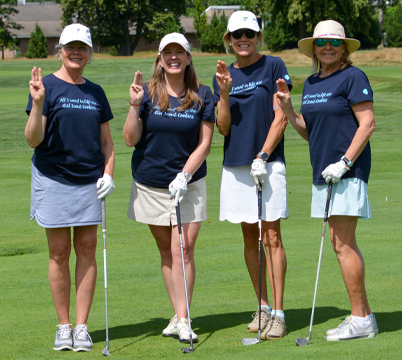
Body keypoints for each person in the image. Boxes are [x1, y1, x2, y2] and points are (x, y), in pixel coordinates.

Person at [275, 19, 378, 341]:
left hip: (346, 172)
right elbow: (311, 132)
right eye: (322, 43)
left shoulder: (353, 76)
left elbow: (367, 124)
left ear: (344, 47)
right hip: (322, 172)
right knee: (338, 243)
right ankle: (361, 317)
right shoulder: (312, 82)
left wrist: (345, 162)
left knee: (343, 243)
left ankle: (362, 318)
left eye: (334, 42)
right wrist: (290, 111)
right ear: (314, 49)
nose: (328, 47)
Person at [25, 23, 115, 351]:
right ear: (59, 50)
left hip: (90, 182)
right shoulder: (46, 86)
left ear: (90, 53)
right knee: (60, 252)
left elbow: (107, 144)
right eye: (70, 47)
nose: (76, 52)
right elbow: (33, 139)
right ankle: (63, 326)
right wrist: (37, 103)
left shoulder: (96, 93)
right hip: (54, 179)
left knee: (87, 249)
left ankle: (82, 327)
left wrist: (108, 174)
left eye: (82, 47)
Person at [123, 33, 214, 344]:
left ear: (188, 58)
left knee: (183, 249)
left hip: (189, 183)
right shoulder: (146, 94)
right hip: (150, 183)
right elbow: (130, 139)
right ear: (159, 59)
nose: (173, 57)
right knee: (166, 250)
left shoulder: (202, 94)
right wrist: (134, 106)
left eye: (180, 52)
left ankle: (185, 319)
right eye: (167, 53)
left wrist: (185, 176)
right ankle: (177, 314)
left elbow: (205, 143)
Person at [213, 11, 292, 340]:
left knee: (271, 236)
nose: (243, 39)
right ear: (229, 40)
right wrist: (224, 94)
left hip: (267, 165)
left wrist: (263, 155)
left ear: (258, 36)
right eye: (236, 35)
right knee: (249, 237)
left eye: (249, 33)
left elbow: (282, 115)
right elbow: (223, 127)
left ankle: (278, 312)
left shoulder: (273, 66)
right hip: (235, 165)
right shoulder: (225, 74)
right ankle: (261, 306)